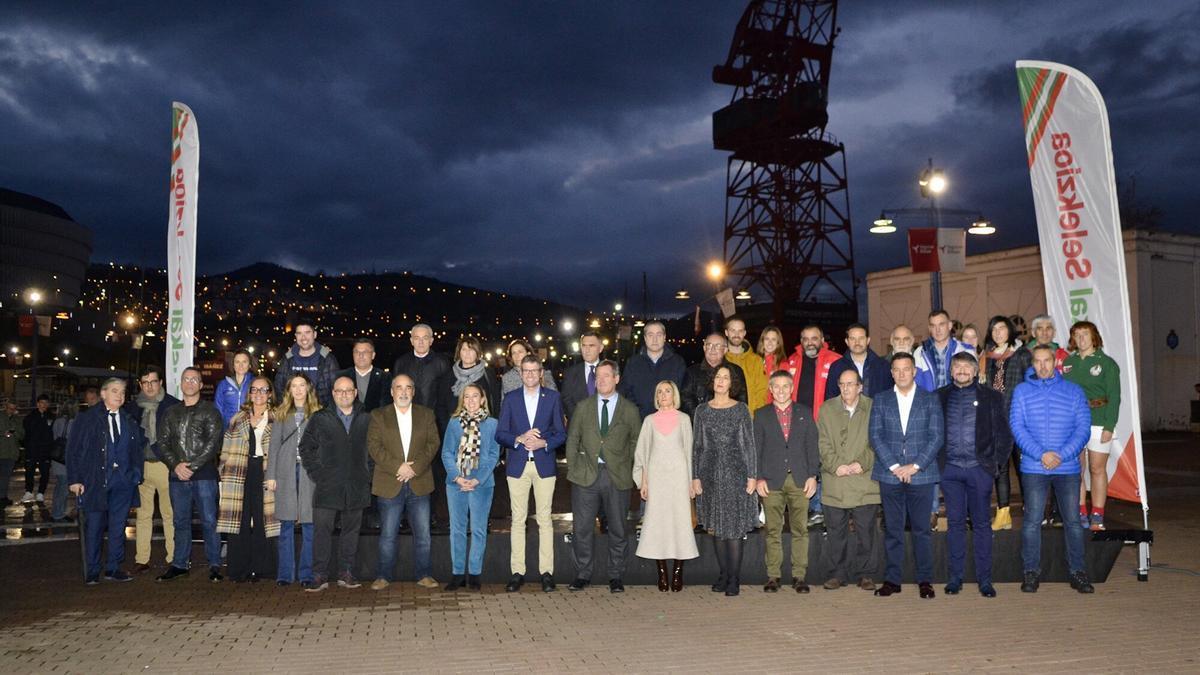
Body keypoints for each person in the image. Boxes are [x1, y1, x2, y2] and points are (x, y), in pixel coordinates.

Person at [1010, 344, 1094, 594]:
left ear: (1055, 362)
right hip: (1034, 466)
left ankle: (1078, 572)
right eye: (1038, 361)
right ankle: (1031, 572)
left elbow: (1083, 428)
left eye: (1047, 360)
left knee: (1073, 522)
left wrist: (1062, 455)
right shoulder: (1022, 392)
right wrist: (1041, 454)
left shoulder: (1074, 391)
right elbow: (1017, 427)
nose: (1043, 366)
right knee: (1032, 522)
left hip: (1066, 467)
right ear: (1032, 364)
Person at [869, 353, 944, 599]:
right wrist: (894, 466)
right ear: (891, 373)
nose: (901, 374)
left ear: (914, 372)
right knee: (893, 529)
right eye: (897, 370)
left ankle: (925, 580)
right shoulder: (880, 400)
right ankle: (892, 580)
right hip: (889, 475)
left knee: (922, 530)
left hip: (921, 475)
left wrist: (914, 466)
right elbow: (875, 436)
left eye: (906, 369)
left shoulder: (930, 399)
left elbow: (936, 437)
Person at [937, 352, 1012, 598]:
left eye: (966, 366)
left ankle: (985, 581)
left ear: (974, 370)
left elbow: (1004, 435)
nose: (961, 370)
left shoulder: (992, 397)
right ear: (951, 371)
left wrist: (994, 467)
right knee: (955, 524)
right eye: (956, 366)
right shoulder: (939, 397)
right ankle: (955, 579)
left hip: (980, 471)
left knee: (981, 525)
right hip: (950, 472)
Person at [565, 360, 640, 593]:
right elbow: (572, 440)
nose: (601, 380)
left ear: (616, 379)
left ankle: (616, 575)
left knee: (618, 528)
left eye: (607, 376)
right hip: (586, 476)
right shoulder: (583, 407)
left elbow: (637, 442)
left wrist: (629, 469)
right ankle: (583, 573)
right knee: (582, 528)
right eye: (598, 376)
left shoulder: (630, 409)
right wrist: (575, 467)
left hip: (617, 477)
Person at [495, 355, 567, 593]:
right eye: (525, 371)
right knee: (518, 520)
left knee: (545, 520)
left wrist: (543, 443)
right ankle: (517, 572)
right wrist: (519, 438)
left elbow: (561, 433)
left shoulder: (553, 398)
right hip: (517, 465)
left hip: (544, 464)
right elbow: (500, 433)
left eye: (533, 370)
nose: (529, 375)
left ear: (541, 372)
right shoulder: (511, 399)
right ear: (520, 373)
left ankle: (546, 572)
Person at [66, 378, 145, 584]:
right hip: (96, 481)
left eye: (122, 392)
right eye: (114, 391)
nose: (119, 395)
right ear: (103, 394)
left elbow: (136, 449)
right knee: (94, 527)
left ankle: (113, 567)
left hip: (124, 482)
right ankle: (92, 570)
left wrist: (135, 474)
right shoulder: (87, 418)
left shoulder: (129, 419)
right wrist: (75, 479)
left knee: (118, 526)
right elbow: (73, 450)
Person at [368, 374, 441, 590]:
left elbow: (433, 443)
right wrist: (398, 467)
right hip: (390, 482)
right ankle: (383, 576)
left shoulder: (426, 415)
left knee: (423, 535)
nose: (403, 392)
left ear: (413, 391)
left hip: (419, 482)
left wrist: (414, 468)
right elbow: (374, 447)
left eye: (408, 387)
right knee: (388, 535)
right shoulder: (378, 415)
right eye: (398, 387)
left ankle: (424, 574)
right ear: (391, 391)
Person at [300, 376, 372, 591]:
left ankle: (346, 572)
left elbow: (374, 450)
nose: (344, 394)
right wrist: (318, 474)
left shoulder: (366, 418)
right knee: (322, 531)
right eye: (339, 391)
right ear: (333, 393)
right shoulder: (320, 418)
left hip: (357, 485)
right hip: (327, 486)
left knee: (351, 532)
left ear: (355, 393)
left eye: (348, 390)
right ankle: (319, 574)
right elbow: (306, 448)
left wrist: (368, 474)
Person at [692, 365, 757, 597]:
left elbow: (748, 445)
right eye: (717, 377)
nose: (721, 381)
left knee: (733, 529)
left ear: (732, 383)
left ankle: (734, 579)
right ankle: (723, 574)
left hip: (736, 474)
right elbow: (697, 447)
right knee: (717, 529)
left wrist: (752, 476)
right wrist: (695, 477)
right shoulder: (701, 411)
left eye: (725, 377)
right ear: (712, 381)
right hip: (709, 476)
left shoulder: (741, 410)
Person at [754, 370, 819, 593]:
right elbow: (756, 449)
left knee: (800, 529)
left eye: (785, 386)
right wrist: (758, 477)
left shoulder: (805, 412)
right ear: (770, 390)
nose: (781, 391)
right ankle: (773, 576)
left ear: (792, 389)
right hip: (771, 481)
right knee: (773, 530)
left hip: (800, 479)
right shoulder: (761, 415)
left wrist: (813, 475)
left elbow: (812, 446)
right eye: (776, 387)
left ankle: (799, 576)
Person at [158, 366, 225, 582]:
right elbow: (163, 442)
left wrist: (192, 466)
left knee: (209, 521)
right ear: (181, 383)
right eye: (186, 379)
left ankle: (214, 564)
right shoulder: (171, 412)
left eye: (194, 379)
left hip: (204, 474)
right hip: (177, 476)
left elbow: (213, 443)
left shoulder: (210, 411)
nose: (189, 383)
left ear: (201, 384)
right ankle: (179, 564)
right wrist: (176, 465)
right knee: (180, 521)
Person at [632, 380, 698, 592]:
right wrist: (643, 481)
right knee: (657, 526)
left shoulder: (685, 419)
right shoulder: (649, 421)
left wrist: (690, 481)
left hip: (679, 479)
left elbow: (690, 452)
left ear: (675, 395)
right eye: (659, 391)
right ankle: (662, 574)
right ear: (656, 396)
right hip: (656, 480)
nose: (663, 395)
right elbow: (642, 452)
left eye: (667, 391)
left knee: (680, 526)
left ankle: (678, 574)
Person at [817, 369, 880, 591]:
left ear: (860, 387)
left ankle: (866, 574)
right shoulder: (827, 409)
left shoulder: (873, 407)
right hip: (835, 480)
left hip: (865, 480)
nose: (846, 388)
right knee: (836, 533)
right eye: (842, 384)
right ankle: (837, 574)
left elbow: (877, 441)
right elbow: (822, 443)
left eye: (851, 384)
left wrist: (861, 463)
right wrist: (836, 465)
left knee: (866, 532)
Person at [217, 375, 279, 583]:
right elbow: (225, 449)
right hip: (238, 473)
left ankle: (262, 568)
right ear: (249, 393)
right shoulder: (237, 418)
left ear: (270, 394)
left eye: (263, 390)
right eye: (255, 389)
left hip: (266, 473)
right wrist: (222, 471)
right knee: (238, 520)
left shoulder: (278, 418)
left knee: (265, 521)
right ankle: (238, 569)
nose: (259, 394)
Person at [440, 382, 500, 591]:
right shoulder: (454, 423)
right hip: (456, 484)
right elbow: (446, 452)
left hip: (481, 484)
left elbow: (494, 454)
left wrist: (477, 480)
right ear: (462, 400)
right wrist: (457, 477)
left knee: (478, 529)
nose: (471, 400)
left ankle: (474, 573)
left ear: (483, 399)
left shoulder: (492, 424)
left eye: (475, 396)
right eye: (467, 397)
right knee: (456, 530)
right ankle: (457, 574)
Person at [1063, 321, 1121, 532]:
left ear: (1094, 336)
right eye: (1077, 335)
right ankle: (1081, 512)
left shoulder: (1106, 363)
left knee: (1097, 469)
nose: (1081, 339)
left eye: (1085, 334)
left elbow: (1114, 397)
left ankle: (1097, 514)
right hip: (1074, 423)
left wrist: (1109, 425)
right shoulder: (1068, 363)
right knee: (1076, 470)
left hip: (1099, 421)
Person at [266, 373, 320, 588]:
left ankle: (306, 573)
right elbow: (274, 446)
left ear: (308, 388)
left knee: (309, 523)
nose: (298, 390)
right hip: (286, 472)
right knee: (286, 524)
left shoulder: (318, 413)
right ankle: (285, 573)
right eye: (294, 386)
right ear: (288, 390)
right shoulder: (281, 413)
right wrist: (270, 475)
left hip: (309, 474)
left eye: (302, 385)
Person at [125, 366, 179, 571]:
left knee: (169, 513)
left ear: (161, 383)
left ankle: (173, 557)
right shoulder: (132, 408)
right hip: (141, 466)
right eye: (145, 382)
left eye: (153, 382)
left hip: (165, 466)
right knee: (143, 514)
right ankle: (142, 559)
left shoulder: (172, 405)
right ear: (140, 384)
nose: (149, 386)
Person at [982, 315, 1022, 531]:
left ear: (1010, 330)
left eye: (1002, 328)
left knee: (1023, 468)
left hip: (1016, 419)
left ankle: (1032, 511)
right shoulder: (987, 357)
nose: (998, 333)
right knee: (1001, 469)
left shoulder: (1021, 354)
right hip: (996, 421)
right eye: (994, 329)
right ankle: (1003, 513)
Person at [620, 321, 687, 420]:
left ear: (664, 337)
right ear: (645, 338)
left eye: (659, 335)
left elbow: (682, 393)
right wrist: (637, 413)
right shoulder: (633, 363)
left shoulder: (677, 362)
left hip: (669, 421)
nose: (655, 339)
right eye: (650, 335)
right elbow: (626, 392)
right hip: (639, 421)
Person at [391, 323, 452, 431]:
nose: (421, 342)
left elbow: (446, 395)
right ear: (411, 341)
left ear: (431, 341)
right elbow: (395, 392)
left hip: (434, 422)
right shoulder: (401, 363)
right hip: (406, 420)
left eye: (425, 338)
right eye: (417, 338)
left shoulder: (442, 363)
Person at [274, 320, 340, 408]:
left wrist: (326, 413)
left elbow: (336, 388)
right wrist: (287, 410)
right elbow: (279, 388)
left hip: (321, 413)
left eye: (307, 332)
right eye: (299, 333)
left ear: (315, 334)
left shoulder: (327, 359)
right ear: (296, 336)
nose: (303, 337)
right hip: (293, 412)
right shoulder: (288, 360)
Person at [681, 333, 747, 417]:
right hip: (700, 424)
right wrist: (703, 418)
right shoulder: (692, 372)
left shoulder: (736, 371)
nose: (713, 349)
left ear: (725, 349)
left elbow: (741, 402)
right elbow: (686, 399)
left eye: (718, 345)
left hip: (729, 424)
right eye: (709, 345)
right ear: (704, 348)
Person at [825, 323, 893, 400]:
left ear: (868, 340)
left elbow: (890, 395)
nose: (857, 343)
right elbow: (830, 399)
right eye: (853, 339)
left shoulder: (883, 366)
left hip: (877, 411)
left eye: (861, 338)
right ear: (847, 341)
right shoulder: (837, 367)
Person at [786, 325, 839, 420]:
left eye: (814, 339)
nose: (810, 343)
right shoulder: (792, 361)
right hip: (797, 421)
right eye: (806, 339)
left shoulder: (836, 361)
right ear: (801, 341)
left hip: (825, 421)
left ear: (822, 340)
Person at [913, 309, 972, 393]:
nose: (938, 330)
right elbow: (916, 384)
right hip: (930, 403)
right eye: (933, 326)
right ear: (929, 329)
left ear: (950, 325)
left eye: (941, 324)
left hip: (956, 402)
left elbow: (972, 382)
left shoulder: (964, 350)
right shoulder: (919, 353)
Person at [724, 317, 768, 412]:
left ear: (744, 333)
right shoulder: (720, 359)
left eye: (740, 331)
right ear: (726, 332)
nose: (736, 334)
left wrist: (756, 415)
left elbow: (762, 390)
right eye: (733, 330)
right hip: (724, 417)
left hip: (750, 417)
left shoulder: (756, 360)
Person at [335, 338, 390, 413]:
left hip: (375, 422)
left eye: (365, 352)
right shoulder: (341, 377)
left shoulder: (384, 377)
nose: (360, 355)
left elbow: (386, 406)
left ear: (373, 355)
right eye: (357, 352)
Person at [559, 331, 604, 421]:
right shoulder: (570, 373)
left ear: (601, 348)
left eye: (591, 346)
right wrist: (581, 420)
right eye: (584, 346)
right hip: (578, 427)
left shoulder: (610, 371)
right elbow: (566, 400)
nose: (587, 350)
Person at [21, 394, 55, 504]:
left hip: (45, 450)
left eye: (46, 403)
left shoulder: (52, 417)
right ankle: (28, 491)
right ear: (37, 404)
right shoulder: (30, 417)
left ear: (48, 404)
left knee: (45, 472)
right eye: (42, 403)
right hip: (32, 449)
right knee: (29, 471)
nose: (44, 405)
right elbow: (25, 432)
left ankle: (41, 493)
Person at [49, 401, 78, 522]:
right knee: (63, 488)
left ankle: (57, 511)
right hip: (65, 459)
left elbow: (54, 436)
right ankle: (58, 513)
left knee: (59, 486)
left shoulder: (57, 421)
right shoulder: (73, 422)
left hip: (56, 458)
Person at [215, 348, 254, 425]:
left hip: (249, 429)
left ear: (249, 365)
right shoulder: (223, 384)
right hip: (228, 430)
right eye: (237, 362)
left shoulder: (255, 383)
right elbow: (218, 410)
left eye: (244, 362)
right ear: (233, 365)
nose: (241, 365)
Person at [1, 399, 23, 506]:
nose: (11, 411)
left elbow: (22, 435)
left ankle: (2, 497)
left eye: (14, 409)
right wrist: (2, 433)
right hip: (1, 450)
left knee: (6, 476)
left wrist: (15, 433)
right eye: (10, 408)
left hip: (11, 453)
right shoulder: (1, 417)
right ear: (6, 407)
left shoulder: (17, 419)